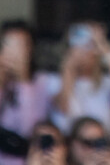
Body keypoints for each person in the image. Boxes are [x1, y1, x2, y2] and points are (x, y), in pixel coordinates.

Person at [50, 23, 110, 135]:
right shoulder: (54, 81)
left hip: (102, 147)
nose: (84, 52)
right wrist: (69, 66)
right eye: (78, 46)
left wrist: (105, 48)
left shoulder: (107, 83)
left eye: (89, 46)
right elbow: (64, 107)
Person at [0, 21, 58, 165]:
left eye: (21, 45)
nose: (16, 52)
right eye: (9, 44)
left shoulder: (42, 82)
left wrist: (22, 79)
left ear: (31, 48)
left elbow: (28, 128)